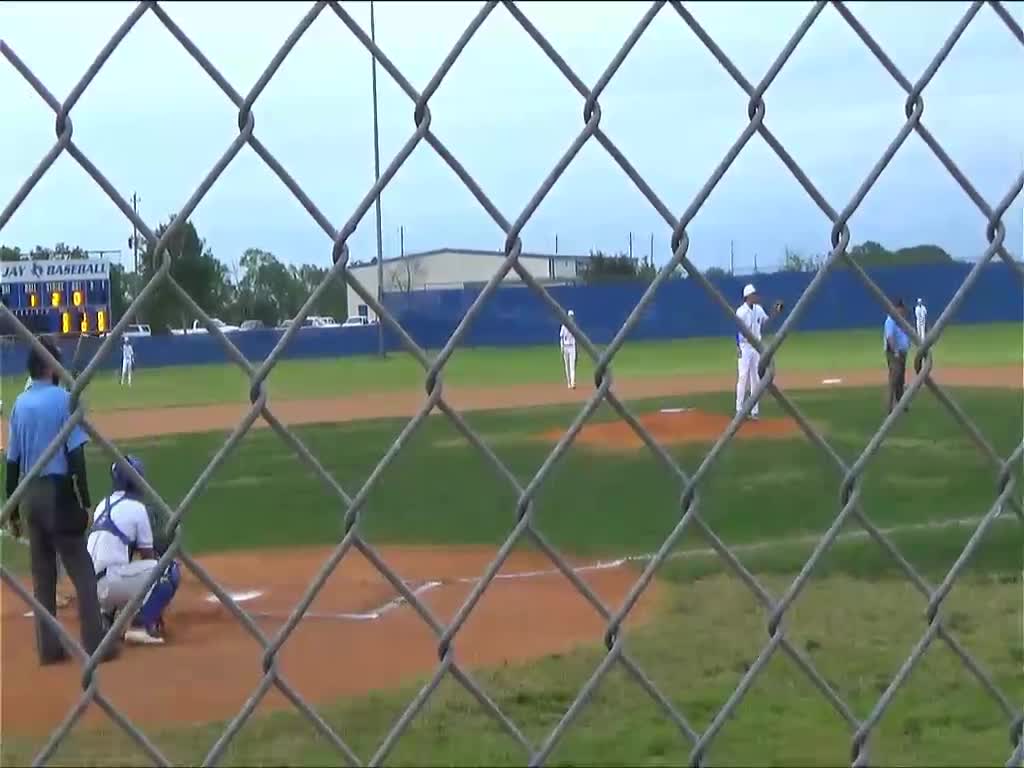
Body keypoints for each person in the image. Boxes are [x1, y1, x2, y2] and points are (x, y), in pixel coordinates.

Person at [4, 335, 114, 664]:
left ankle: (48, 650)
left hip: (30, 495)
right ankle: (96, 645)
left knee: (43, 578)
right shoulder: (64, 400)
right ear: (49, 365)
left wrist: (12, 510)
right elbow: (75, 456)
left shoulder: (20, 403)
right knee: (82, 569)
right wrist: (85, 500)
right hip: (60, 491)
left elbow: (12, 462)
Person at [87, 455, 180, 645]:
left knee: (123, 560)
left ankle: (107, 618)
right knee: (168, 569)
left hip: (89, 588)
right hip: (111, 584)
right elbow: (148, 557)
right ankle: (139, 626)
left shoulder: (102, 505)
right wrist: (154, 605)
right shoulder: (137, 508)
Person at [735, 284, 782, 421]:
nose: (756, 296)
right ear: (748, 296)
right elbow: (737, 329)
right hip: (744, 346)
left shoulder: (758, 309)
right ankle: (739, 409)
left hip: (757, 347)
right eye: (754, 294)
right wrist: (737, 346)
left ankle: (755, 410)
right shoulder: (741, 311)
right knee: (743, 377)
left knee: (756, 378)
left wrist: (775, 312)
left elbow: (765, 323)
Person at [884, 299, 911, 414]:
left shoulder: (901, 320)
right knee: (894, 379)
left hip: (902, 353)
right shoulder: (890, 321)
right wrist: (895, 351)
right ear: (896, 308)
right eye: (900, 309)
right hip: (894, 353)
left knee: (901, 380)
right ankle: (889, 407)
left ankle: (901, 404)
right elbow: (890, 338)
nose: (902, 311)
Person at [559, 309, 577, 390]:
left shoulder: (574, 326)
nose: (571, 317)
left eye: (572, 316)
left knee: (572, 366)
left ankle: (572, 383)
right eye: (570, 316)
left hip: (572, 347)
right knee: (567, 366)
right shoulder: (564, 326)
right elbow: (561, 338)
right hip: (566, 347)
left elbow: (577, 337)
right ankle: (569, 383)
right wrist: (562, 347)